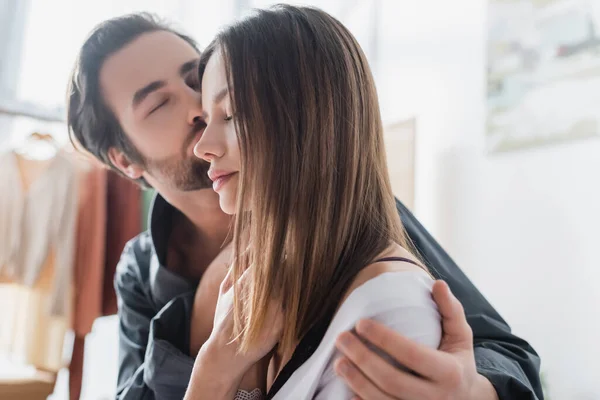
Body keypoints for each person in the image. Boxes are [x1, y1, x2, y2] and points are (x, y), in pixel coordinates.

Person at [66, 12, 543, 400]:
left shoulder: (337, 209)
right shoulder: (140, 269)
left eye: (197, 80)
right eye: (159, 104)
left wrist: (474, 390)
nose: (196, 108)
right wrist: (209, 351)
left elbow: (504, 351)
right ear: (125, 159)